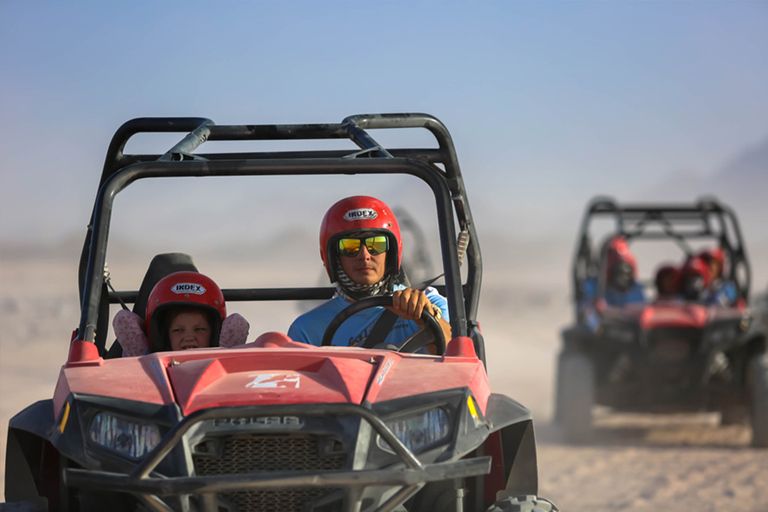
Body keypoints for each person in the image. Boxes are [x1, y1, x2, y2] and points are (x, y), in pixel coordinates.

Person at [288, 195, 452, 349]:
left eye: (376, 244)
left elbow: (457, 359)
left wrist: (424, 319)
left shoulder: (429, 304)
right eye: (349, 246)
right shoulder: (307, 329)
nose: (364, 255)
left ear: (391, 252)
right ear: (333, 256)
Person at [113, 270, 249, 356]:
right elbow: (123, 319)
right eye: (178, 330)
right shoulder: (146, 362)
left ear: (215, 332)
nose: (189, 337)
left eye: (199, 329)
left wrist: (222, 353)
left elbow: (237, 324)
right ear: (163, 336)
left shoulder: (222, 361)